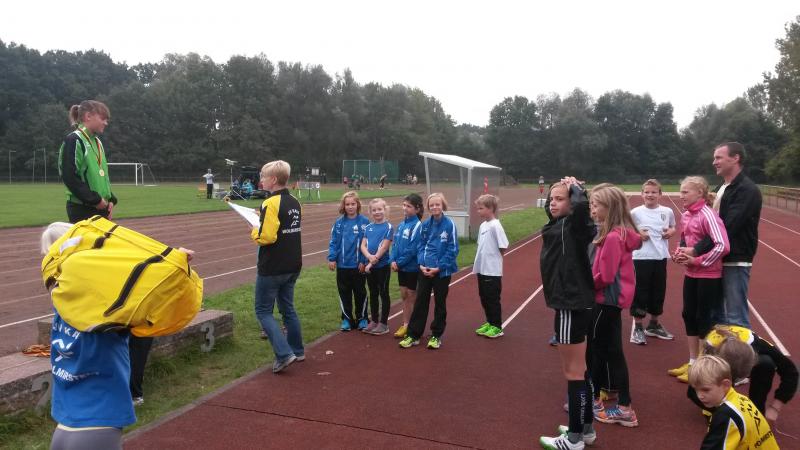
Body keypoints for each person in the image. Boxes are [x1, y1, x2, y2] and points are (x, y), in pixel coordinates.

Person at [42, 222, 196, 450]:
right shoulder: (105, 314)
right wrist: (177, 262)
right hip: (97, 426)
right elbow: (151, 297)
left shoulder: (62, 307)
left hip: (65, 427)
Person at [538, 177, 597, 450]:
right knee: (580, 370)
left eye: (560, 199)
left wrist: (577, 190)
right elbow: (554, 212)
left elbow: (583, 213)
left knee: (573, 372)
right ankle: (585, 429)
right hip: (573, 302)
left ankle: (573, 439)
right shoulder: (559, 225)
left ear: (573, 204)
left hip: (569, 304)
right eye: (551, 198)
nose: (553, 203)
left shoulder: (575, 226)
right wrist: (562, 191)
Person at [686, 143, 762, 329]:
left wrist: (696, 250)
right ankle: (720, 349)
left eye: (719, 157)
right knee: (715, 314)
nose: (714, 162)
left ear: (735, 158)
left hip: (734, 259)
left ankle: (742, 349)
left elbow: (728, 227)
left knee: (736, 318)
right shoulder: (722, 187)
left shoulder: (747, 190)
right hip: (716, 259)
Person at [587, 184, 641, 427]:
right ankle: (624, 406)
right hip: (614, 300)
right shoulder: (622, 233)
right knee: (614, 352)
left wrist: (586, 285)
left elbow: (606, 276)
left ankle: (595, 400)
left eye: (596, 205)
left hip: (605, 299)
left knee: (597, 351)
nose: (592, 209)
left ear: (610, 208)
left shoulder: (611, 237)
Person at [669, 176, 729, 381]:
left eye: (685, 192)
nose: (681, 195)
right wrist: (679, 253)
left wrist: (698, 261)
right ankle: (693, 362)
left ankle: (704, 367)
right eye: (681, 191)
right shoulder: (686, 215)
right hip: (691, 273)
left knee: (704, 318)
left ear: (700, 193)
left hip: (709, 275)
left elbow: (722, 245)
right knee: (688, 314)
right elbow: (685, 240)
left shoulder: (708, 215)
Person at [251, 160, 304, 373]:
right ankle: (297, 350)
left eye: (263, 177)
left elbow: (267, 237)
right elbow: (285, 227)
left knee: (263, 311)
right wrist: (262, 220)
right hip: (293, 263)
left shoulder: (270, 203)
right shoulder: (295, 201)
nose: (261, 180)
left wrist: (254, 228)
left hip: (273, 266)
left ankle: (284, 354)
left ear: (273, 180)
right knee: (288, 309)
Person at [687, 325, 798, 419]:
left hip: (748, 355)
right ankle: (720, 405)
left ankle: (756, 409)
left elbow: (791, 372)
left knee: (766, 363)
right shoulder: (710, 352)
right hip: (718, 358)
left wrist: (775, 408)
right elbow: (692, 391)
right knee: (708, 387)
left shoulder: (760, 346)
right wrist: (719, 410)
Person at [399, 193, 459, 350]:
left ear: (443, 205)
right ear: (428, 207)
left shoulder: (449, 225)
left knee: (440, 303)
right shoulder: (425, 225)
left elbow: (453, 249)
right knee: (420, 302)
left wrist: (439, 267)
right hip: (424, 270)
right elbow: (420, 245)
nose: (434, 207)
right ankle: (414, 335)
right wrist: (421, 264)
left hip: (441, 272)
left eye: (437, 204)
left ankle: (436, 335)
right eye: (431, 205)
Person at [688, 355, 779, 450]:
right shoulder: (742, 399)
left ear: (725, 385)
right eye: (696, 389)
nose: (700, 396)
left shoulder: (726, 415)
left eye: (705, 390)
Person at [629, 179, 676, 345]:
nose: (650, 195)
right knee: (640, 292)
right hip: (641, 257)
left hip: (660, 257)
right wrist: (637, 233)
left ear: (660, 194)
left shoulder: (667, 211)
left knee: (658, 291)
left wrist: (671, 232)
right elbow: (626, 229)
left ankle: (654, 324)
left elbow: (673, 227)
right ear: (641, 194)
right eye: (647, 192)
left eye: (654, 192)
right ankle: (638, 327)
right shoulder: (635, 212)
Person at [59, 100, 117, 224]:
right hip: (83, 209)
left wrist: (110, 199)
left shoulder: (97, 142)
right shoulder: (74, 140)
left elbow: (100, 177)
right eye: (103, 118)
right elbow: (69, 177)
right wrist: (95, 200)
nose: (106, 123)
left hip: (101, 207)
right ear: (88, 116)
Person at [328, 191, 370, 331]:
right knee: (344, 293)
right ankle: (346, 319)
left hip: (358, 266)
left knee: (360, 293)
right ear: (343, 206)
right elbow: (334, 242)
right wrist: (332, 258)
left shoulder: (365, 222)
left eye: (353, 204)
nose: (350, 207)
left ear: (358, 205)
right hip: (343, 266)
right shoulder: (339, 223)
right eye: (347, 204)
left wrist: (363, 261)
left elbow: (367, 244)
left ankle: (362, 318)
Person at [472, 194, 509, 339]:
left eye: (481, 208)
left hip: (492, 271)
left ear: (491, 208)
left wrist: (494, 260)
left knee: (492, 298)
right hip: (482, 268)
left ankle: (497, 327)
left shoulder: (496, 226)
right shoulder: (483, 225)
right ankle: (490, 322)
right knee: (484, 297)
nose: (478, 211)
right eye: (478, 208)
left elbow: (503, 246)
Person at [389, 193, 424, 338]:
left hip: (412, 268)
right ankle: (405, 324)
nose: (405, 208)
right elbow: (395, 245)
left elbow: (413, 249)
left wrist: (399, 262)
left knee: (412, 296)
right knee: (404, 295)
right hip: (401, 267)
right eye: (404, 205)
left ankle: (415, 327)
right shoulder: (401, 225)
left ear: (417, 209)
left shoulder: (418, 226)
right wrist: (392, 260)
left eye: (408, 206)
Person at [360, 198, 394, 335]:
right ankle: (374, 320)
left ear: (385, 210)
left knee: (383, 293)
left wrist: (371, 262)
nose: (377, 212)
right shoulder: (368, 227)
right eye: (374, 210)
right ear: (370, 212)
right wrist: (369, 257)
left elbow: (384, 247)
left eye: (380, 209)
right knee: (373, 293)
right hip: (370, 266)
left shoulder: (388, 227)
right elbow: (363, 245)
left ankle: (384, 323)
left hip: (382, 267)